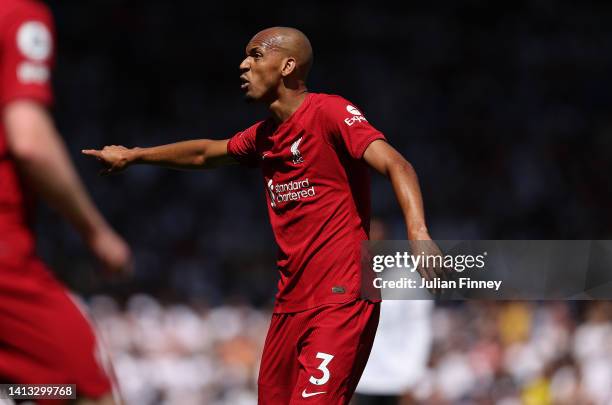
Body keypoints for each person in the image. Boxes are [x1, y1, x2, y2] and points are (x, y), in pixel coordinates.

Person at [83, 26, 440, 404]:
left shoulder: (330, 112)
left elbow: (397, 164)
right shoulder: (265, 137)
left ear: (287, 65)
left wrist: (418, 232)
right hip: (289, 306)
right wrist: (134, 155)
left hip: (341, 298)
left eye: (255, 56)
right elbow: (205, 153)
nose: (243, 65)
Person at [0, 1, 131, 404]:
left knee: (31, 388)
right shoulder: (18, 12)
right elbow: (29, 140)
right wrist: (97, 233)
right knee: (83, 388)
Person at [353, 219, 434, 405]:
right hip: (362, 378)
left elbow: (419, 326)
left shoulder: (407, 277)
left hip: (398, 377)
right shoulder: (351, 279)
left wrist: (414, 374)